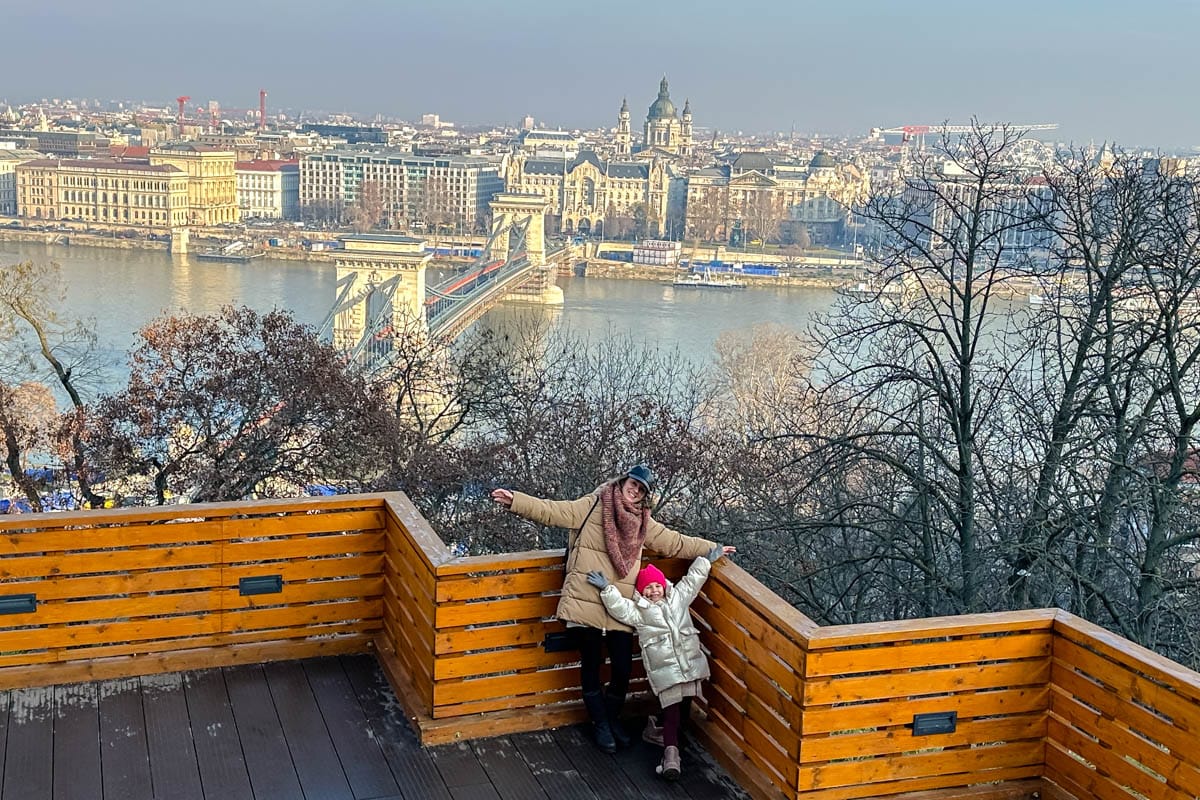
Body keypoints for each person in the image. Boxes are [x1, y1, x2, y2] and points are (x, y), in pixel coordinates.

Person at [490, 464, 718, 753]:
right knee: (591, 664)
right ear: (623, 482)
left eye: (641, 490)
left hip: (619, 604)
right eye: (632, 484)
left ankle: (611, 718)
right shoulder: (594, 504)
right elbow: (554, 511)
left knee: (622, 667)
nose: (634, 491)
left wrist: (712, 549)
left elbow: (674, 542)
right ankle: (601, 724)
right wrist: (516, 501)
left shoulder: (643, 522)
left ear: (645, 497)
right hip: (586, 597)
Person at [586, 546, 732, 781]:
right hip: (665, 673)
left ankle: (657, 732)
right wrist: (607, 589)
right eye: (647, 589)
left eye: (656, 586)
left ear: (664, 585)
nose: (653, 591)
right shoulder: (640, 612)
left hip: (689, 665)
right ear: (641, 593)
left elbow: (693, 580)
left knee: (683, 708)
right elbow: (620, 608)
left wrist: (708, 559)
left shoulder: (678, 599)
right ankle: (670, 757)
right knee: (673, 710)